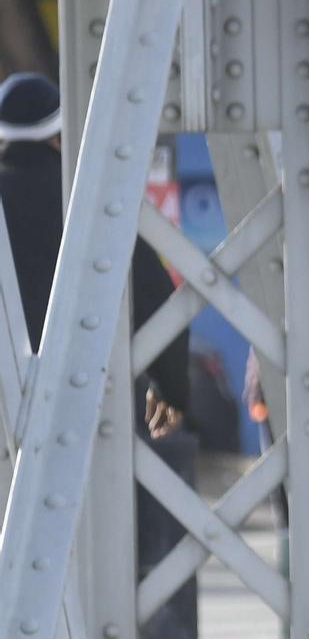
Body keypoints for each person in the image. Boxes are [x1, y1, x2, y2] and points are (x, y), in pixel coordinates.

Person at [0, 71, 186, 437]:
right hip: (88, 409)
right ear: (59, 135)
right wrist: (174, 391)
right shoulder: (92, 200)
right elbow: (156, 296)